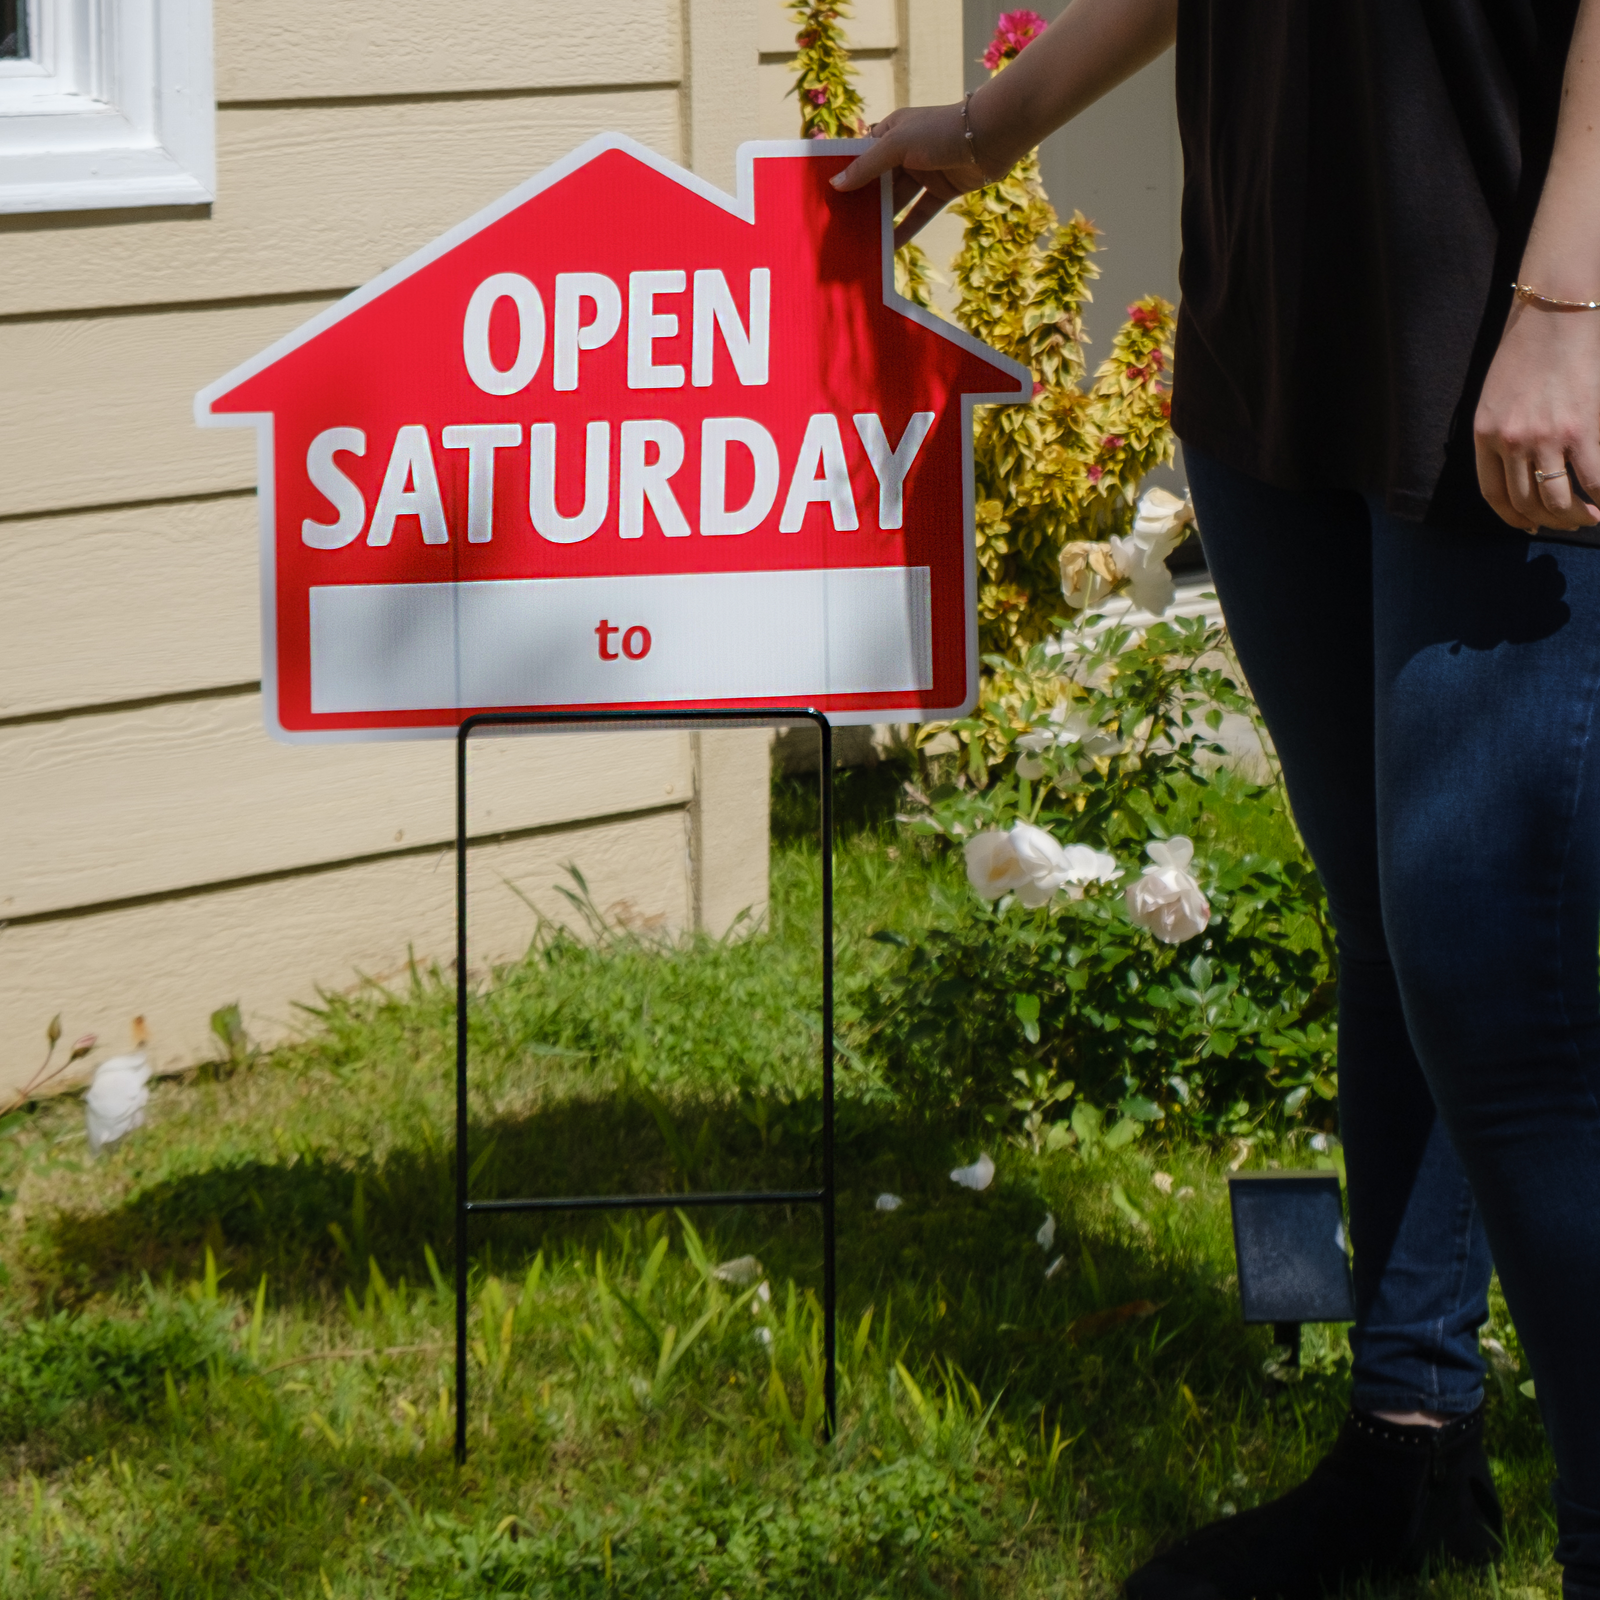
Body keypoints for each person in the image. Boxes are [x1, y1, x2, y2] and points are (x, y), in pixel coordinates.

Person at [833, 4, 1600, 1599]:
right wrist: (999, 120)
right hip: (1286, 306)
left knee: (1487, 963)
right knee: (1387, 920)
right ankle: (1409, 1447)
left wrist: (1575, 296)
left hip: (1527, 297)